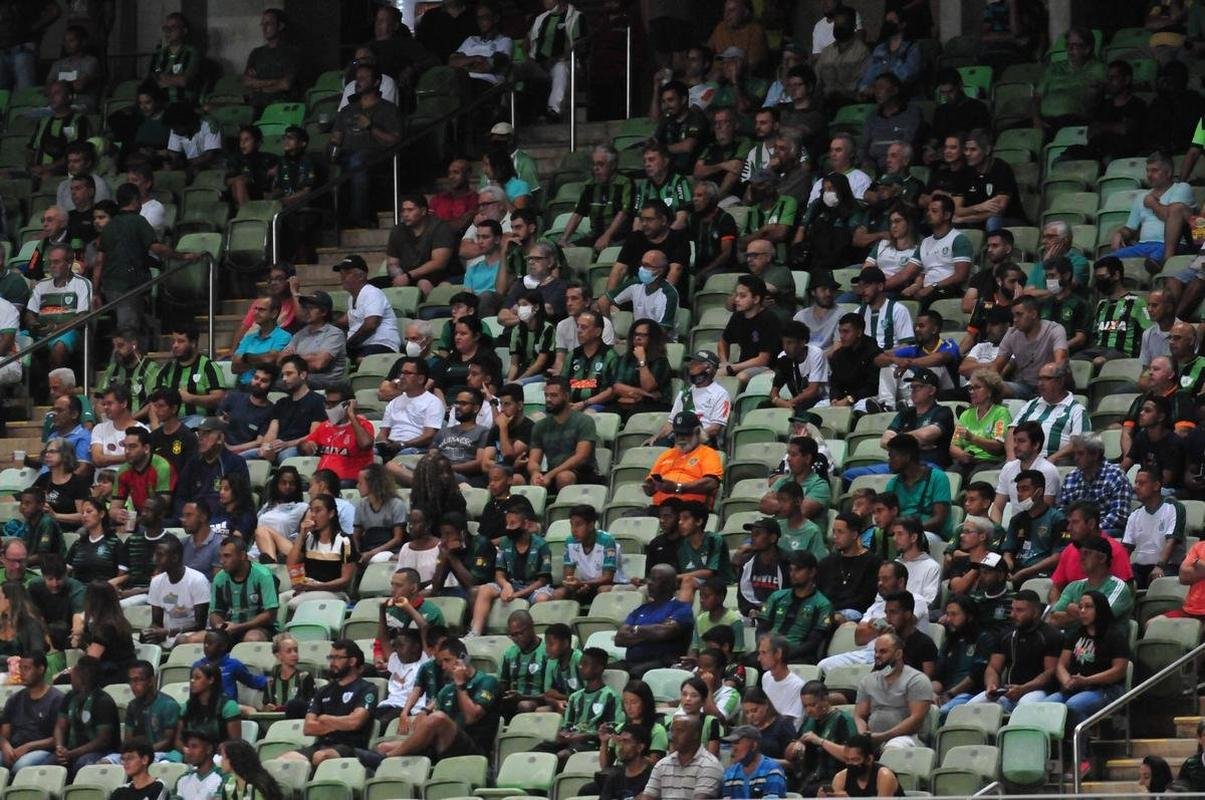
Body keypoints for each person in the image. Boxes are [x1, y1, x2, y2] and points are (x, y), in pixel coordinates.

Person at [374, 637, 500, 760]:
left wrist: (460, 685)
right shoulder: (447, 690)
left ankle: (384, 759)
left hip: (472, 748)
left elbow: (471, 717)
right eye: (441, 662)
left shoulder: (487, 682)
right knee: (382, 747)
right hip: (442, 744)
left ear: (463, 659)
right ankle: (383, 757)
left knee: (438, 718)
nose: (443, 667)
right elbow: (423, 724)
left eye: (447, 660)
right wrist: (424, 712)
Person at [853, 632, 934, 748]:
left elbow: (916, 719)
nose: (877, 655)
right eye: (876, 651)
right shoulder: (867, 681)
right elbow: (859, 715)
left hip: (908, 738)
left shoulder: (917, 680)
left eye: (883, 651)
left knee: (893, 746)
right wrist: (863, 736)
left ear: (898, 654)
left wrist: (882, 737)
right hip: (874, 738)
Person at [614, 565, 694, 678]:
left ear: (671, 584)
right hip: (631, 662)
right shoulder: (641, 609)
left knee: (635, 674)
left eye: (656, 579)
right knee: (604, 670)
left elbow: (665, 632)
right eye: (649, 578)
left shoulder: (681, 608)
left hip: (663, 663)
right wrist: (653, 634)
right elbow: (619, 639)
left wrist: (635, 629)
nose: (650, 583)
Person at [25, 243, 91, 371]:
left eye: (57, 262)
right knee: (16, 340)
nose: (52, 266)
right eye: (50, 262)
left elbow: (82, 318)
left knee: (59, 346)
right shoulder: (41, 285)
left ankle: (54, 388)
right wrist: (33, 323)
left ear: (69, 263)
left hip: (67, 332)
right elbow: (29, 313)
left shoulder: (82, 284)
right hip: (41, 332)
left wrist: (56, 328)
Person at [285, 494, 357, 607]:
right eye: (311, 511)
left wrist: (315, 587)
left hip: (334, 592)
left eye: (318, 511)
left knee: (294, 603)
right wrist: (301, 535)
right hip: (308, 589)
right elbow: (291, 564)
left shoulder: (344, 541)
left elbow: (345, 580)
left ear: (331, 514)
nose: (313, 515)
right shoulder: (308, 537)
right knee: (279, 601)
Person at [171, 418, 249, 521]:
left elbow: (239, 500)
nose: (201, 438)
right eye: (199, 434)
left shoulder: (235, 463)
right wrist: (185, 515)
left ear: (220, 438)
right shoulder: (193, 463)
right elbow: (180, 496)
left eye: (206, 434)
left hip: (220, 520)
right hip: (192, 519)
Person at [1058, 434, 1135, 536]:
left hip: (1106, 531)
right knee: (1058, 536)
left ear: (1095, 454)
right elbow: (1063, 510)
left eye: (1080, 454)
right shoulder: (1071, 477)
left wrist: (1088, 530)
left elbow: (1119, 516)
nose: (1075, 458)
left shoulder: (1116, 476)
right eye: (1074, 454)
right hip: (1075, 531)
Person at [1122, 467, 1187, 588]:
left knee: (1158, 580)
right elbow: (1126, 549)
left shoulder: (1173, 507)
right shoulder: (1134, 515)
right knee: (1121, 581)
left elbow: (1171, 541)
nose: (1136, 487)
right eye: (1135, 483)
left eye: (1141, 483)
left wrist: (1159, 566)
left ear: (1156, 486)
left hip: (1168, 566)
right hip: (1140, 567)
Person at [54, 656, 118, 776]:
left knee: (82, 764)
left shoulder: (103, 701)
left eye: (73, 673)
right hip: (71, 751)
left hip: (100, 752)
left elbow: (102, 741)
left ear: (82, 676)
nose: (70, 676)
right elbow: (60, 726)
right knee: (51, 764)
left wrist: (71, 754)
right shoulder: (69, 697)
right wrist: (59, 748)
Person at [0, 651, 63, 772]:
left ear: (40, 669)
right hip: (14, 748)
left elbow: (57, 738)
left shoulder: (56, 699)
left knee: (21, 766)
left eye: (26, 668)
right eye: (20, 668)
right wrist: (5, 745)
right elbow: (4, 734)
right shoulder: (14, 699)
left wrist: (28, 747)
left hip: (41, 750)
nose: (22, 673)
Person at [636, 714, 724, 800]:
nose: (673, 735)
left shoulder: (709, 765)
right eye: (672, 731)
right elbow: (648, 797)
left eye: (680, 731)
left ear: (695, 734)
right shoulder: (662, 764)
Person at [905, 195, 973, 306]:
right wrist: (916, 286)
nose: (928, 214)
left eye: (934, 211)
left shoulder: (958, 239)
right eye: (928, 210)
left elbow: (961, 275)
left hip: (948, 288)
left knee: (925, 300)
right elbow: (922, 272)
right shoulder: (925, 242)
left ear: (947, 215)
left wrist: (933, 286)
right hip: (927, 288)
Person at [1001, 470, 1066, 584]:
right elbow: (1008, 552)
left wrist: (1026, 572)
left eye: (1025, 489)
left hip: (1042, 572)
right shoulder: (1017, 519)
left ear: (1039, 491)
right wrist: (1007, 568)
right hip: (1018, 569)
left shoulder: (1058, 519)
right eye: (1018, 490)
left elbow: (1058, 556)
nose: (1019, 494)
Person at [142, 536, 208, 647]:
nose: (154, 559)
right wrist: (150, 632)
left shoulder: (197, 580)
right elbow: (156, 622)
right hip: (168, 634)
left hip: (192, 635)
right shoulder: (156, 582)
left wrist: (169, 632)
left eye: (160, 555)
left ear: (175, 557)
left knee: (181, 641)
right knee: (142, 639)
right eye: (155, 555)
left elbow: (200, 624)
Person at [333, 254, 401, 358]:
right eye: (341, 273)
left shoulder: (372, 293)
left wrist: (348, 345)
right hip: (362, 346)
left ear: (361, 276)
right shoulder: (352, 298)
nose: (342, 277)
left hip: (382, 344)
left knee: (360, 359)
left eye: (347, 273)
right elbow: (343, 321)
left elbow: (370, 325)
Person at [279, 291, 348, 390]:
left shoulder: (334, 334)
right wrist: (309, 358)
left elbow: (318, 364)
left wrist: (294, 357)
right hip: (301, 376)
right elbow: (281, 360)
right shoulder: (299, 334)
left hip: (327, 382)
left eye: (310, 308)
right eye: (304, 307)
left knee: (285, 382)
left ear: (323, 312)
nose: (306, 311)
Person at [721, 724, 787, 799]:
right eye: (732, 744)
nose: (733, 748)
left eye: (737, 743)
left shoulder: (772, 770)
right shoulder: (730, 772)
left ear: (754, 746)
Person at [829, 734, 904, 797]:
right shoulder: (840, 778)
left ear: (869, 759)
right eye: (847, 760)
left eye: (855, 760)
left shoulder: (884, 776)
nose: (850, 764)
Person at [263, 633, 316, 717]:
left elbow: (313, 705)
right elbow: (265, 706)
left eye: (296, 650)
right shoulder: (270, 682)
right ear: (278, 655)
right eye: (289, 651)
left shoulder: (304, 677)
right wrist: (267, 708)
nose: (294, 654)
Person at [755, 634, 805, 723]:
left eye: (764, 653)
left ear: (778, 653)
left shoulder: (797, 685)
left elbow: (792, 723)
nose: (759, 658)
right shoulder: (766, 677)